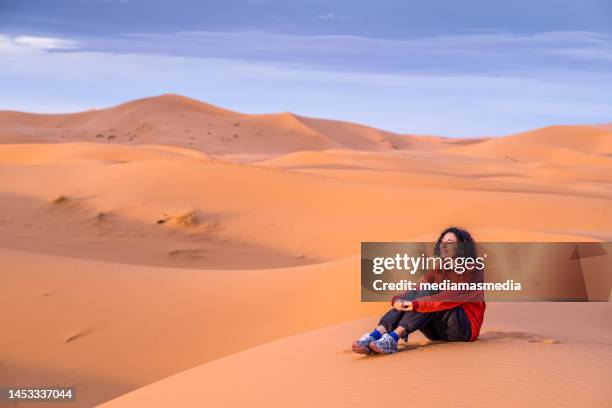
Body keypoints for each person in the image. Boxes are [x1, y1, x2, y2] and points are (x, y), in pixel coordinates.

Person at [353, 227, 486, 355]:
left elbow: (450, 297)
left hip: (463, 330)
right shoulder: (439, 268)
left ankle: (393, 338)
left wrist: (416, 304)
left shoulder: (473, 269)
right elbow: (417, 289)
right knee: (416, 296)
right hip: (437, 333)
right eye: (442, 242)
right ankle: (375, 336)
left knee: (429, 294)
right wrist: (398, 300)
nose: (444, 245)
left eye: (450, 243)